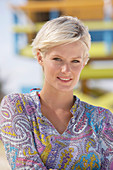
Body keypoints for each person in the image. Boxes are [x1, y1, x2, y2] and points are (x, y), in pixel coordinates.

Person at [0, 16, 113, 170]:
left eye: (75, 61)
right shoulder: (17, 107)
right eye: (57, 59)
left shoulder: (102, 119)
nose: (66, 70)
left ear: (85, 61)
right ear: (40, 57)